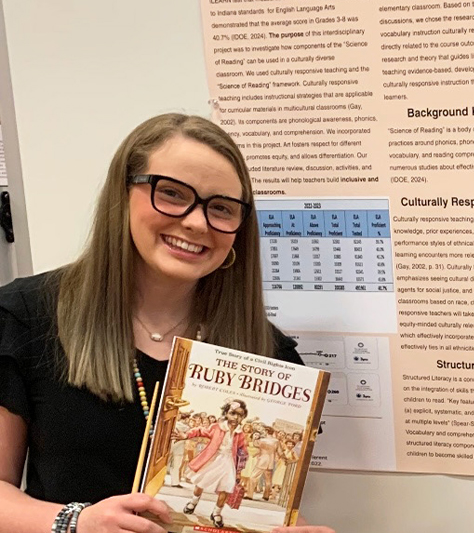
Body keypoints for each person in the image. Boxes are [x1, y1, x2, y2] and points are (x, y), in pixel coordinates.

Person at [0, 113, 334, 532]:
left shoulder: (268, 351)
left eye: (221, 208)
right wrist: (77, 522)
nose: (196, 222)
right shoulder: (25, 317)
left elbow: (261, 509)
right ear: (122, 195)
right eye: (173, 193)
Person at [182, 399, 249, 528]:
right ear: (226, 413)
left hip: (229, 462)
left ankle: (216, 513)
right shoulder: (217, 427)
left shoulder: (240, 434)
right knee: (201, 482)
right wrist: (186, 435)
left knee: (226, 487)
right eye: (233, 413)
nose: (236, 417)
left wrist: (239, 471)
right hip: (213, 458)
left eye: (240, 415)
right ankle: (193, 502)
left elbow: (242, 452)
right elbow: (201, 431)